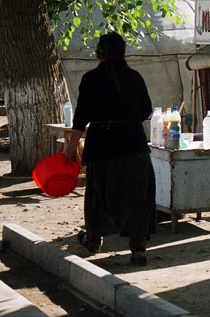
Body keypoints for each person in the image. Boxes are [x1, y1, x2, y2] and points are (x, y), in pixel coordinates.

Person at [63, 32, 156, 266]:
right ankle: (138, 250)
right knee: (137, 199)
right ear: (123, 53)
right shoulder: (135, 78)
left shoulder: (91, 79)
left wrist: (70, 149)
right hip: (134, 146)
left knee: (99, 197)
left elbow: (80, 118)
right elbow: (146, 111)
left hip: (102, 148)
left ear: (99, 55)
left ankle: (93, 240)